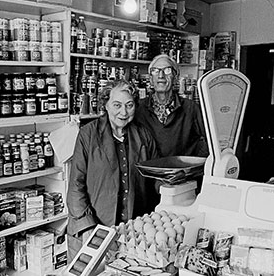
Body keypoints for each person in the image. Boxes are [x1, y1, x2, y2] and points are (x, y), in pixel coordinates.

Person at [66, 79, 159, 261]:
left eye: (129, 105)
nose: (123, 112)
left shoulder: (144, 135)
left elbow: (155, 175)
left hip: (130, 233)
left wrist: (173, 189)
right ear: (105, 104)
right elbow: (76, 186)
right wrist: (88, 228)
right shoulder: (88, 134)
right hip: (93, 227)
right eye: (117, 105)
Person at [134, 54, 209, 158]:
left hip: (181, 172)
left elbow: (210, 141)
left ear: (176, 77)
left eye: (167, 70)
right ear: (150, 79)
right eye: (155, 71)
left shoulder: (190, 108)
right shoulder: (139, 108)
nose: (161, 75)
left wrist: (192, 166)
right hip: (149, 172)